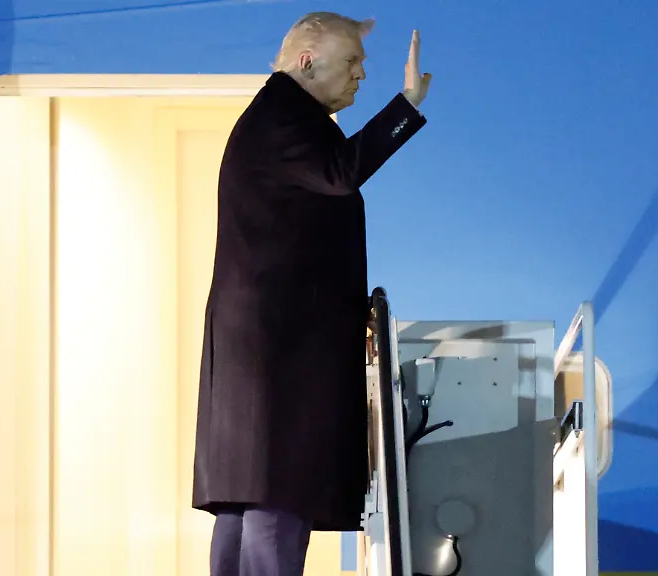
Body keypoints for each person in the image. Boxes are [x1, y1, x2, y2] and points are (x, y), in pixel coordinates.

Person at [191, 11, 432, 576]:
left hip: (263, 345)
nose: (359, 77)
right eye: (351, 62)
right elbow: (342, 171)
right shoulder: (282, 116)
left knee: (248, 499)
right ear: (307, 62)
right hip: (280, 351)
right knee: (277, 491)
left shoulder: (280, 116)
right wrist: (407, 106)